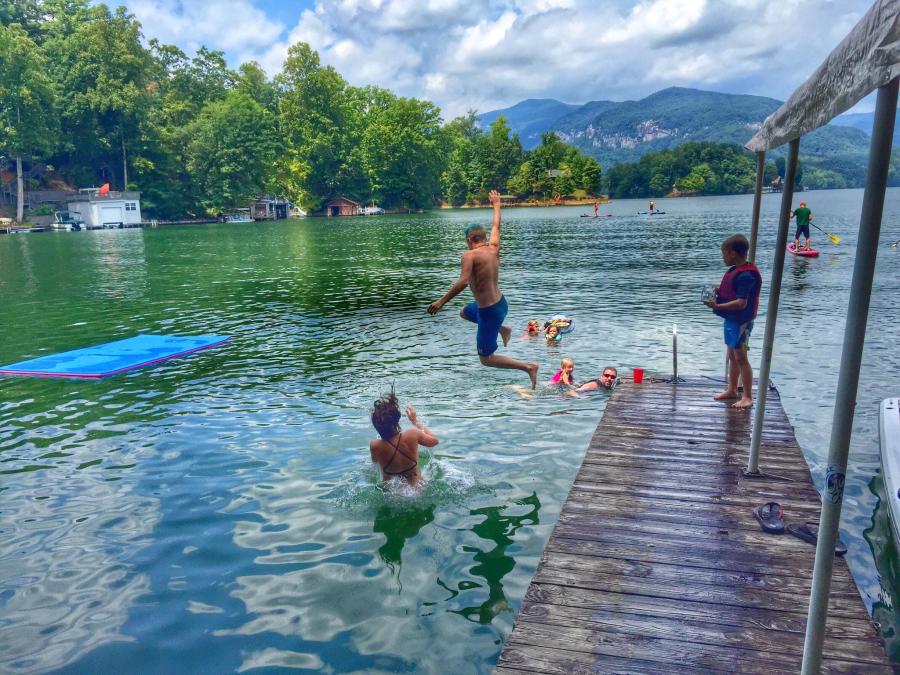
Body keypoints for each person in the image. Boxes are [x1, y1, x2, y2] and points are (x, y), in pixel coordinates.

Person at [428, 189, 539, 388]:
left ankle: (528, 367)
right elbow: (497, 224)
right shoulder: (494, 247)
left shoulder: (469, 255)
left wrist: (441, 301)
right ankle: (504, 329)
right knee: (464, 312)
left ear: (470, 240)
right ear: (483, 237)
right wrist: (496, 204)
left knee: (486, 359)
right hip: (501, 304)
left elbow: (462, 282)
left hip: (489, 312)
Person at [704, 234, 762, 409]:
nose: (723, 257)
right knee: (731, 356)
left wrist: (718, 306)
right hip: (732, 321)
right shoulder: (734, 271)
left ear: (734, 254)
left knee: (741, 358)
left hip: (741, 323)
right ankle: (732, 389)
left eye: (724, 254)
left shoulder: (746, 276)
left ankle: (748, 396)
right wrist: (718, 292)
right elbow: (732, 293)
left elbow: (741, 302)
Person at [369, 389, 439, 486]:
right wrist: (415, 421)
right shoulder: (412, 434)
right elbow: (435, 441)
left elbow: (375, 463)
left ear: (376, 426)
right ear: (397, 420)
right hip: (417, 488)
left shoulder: (375, 445)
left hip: (391, 492)